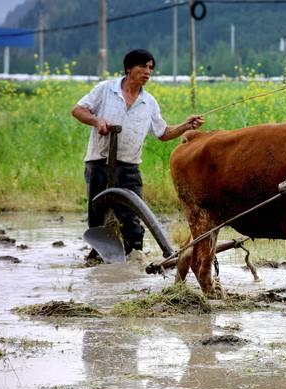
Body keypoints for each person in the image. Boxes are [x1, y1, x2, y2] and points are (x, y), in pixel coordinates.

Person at [72, 48, 204, 260]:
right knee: (97, 215)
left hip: (129, 167)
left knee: (132, 217)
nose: (147, 72)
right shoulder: (106, 90)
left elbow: (163, 133)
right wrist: (97, 121)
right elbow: (78, 110)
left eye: (150, 68)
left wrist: (186, 125)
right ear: (128, 68)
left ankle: (134, 256)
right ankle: (100, 255)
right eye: (143, 66)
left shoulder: (149, 102)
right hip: (99, 162)